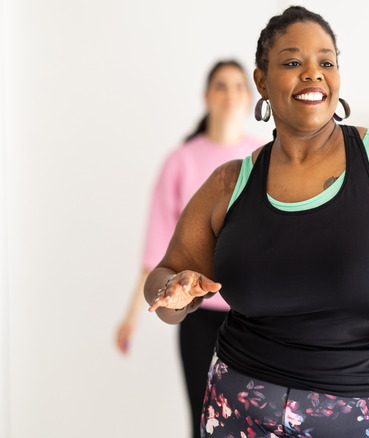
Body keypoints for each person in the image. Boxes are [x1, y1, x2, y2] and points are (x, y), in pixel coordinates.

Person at [145, 6, 369, 438]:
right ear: (262, 82)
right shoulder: (228, 184)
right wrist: (174, 291)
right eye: (293, 62)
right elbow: (166, 275)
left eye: (326, 62)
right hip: (239, 410)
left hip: (363, 411)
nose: (314, 74)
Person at [115, 59, 264, 438]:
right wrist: (131, 315)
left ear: (250, 96)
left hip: (255, 318)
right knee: (204, 422)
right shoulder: (181, 161)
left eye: (237, 86)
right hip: (197, 320)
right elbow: (156, 252)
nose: (230, 94)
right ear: (205, 96)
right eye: (220, 86)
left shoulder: (265, 158)